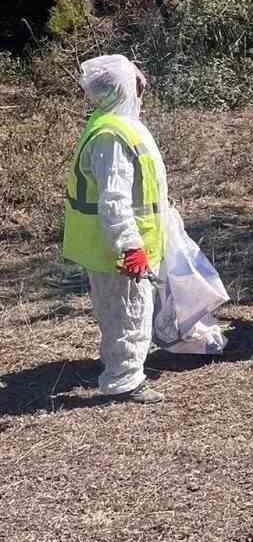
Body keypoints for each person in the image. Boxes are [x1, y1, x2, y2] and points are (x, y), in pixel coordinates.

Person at [62, 54, 170, 403]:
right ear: (122, 88)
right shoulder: (111, 135)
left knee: (121, 311)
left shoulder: (113, 124)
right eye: (136, 82)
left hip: (122, 243)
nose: (143, 86)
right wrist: (129, 247)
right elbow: (114, 200)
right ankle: (124, 382)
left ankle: (122, 368)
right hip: (118, 249)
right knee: (129, 313)